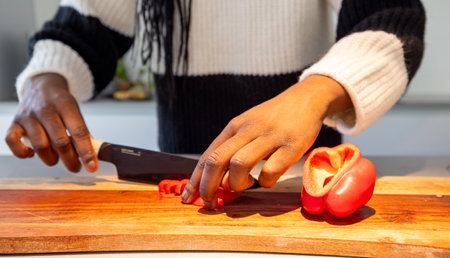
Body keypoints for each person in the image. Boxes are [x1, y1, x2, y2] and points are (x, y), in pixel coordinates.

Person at [5, 0, 425, 209]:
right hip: (183, 170)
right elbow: (83, 27)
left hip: (296, 179)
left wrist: (314, 92)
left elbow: (391, 21)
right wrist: (45, 76)